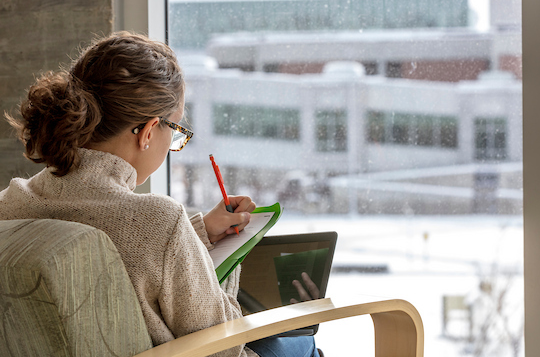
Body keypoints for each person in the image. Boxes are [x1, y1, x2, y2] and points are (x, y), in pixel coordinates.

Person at [0, 32, 321, 357]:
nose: (173, 145)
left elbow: (119, 251)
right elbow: (224, 348)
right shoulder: (159, 221)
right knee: (301, 340)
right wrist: (223, 264)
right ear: (150, 132)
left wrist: (195, 234)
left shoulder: (11, 202)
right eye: (176, 131)